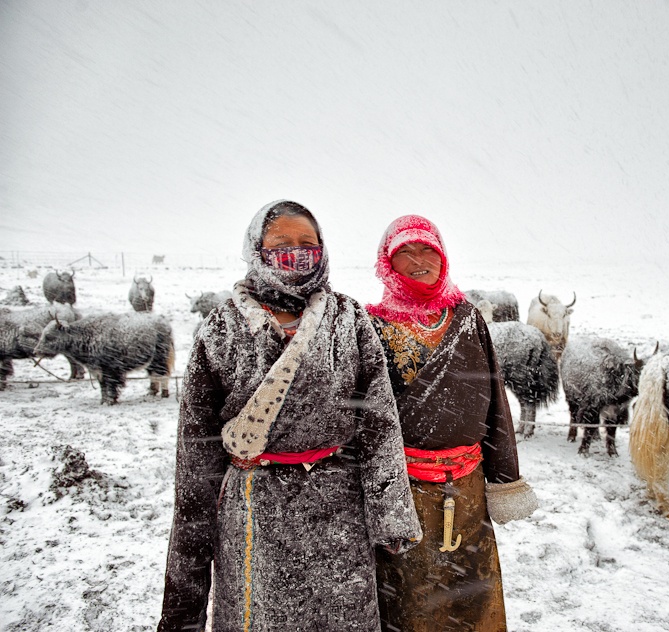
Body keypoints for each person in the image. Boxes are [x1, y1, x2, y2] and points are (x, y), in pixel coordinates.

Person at [158, 200, 421, 631]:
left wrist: (389, 511)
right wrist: (185, 591)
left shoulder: (349, 319)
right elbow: (196, 453)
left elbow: (378, 423)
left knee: (342, 615)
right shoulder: (221, 327)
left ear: (323, 250)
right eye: (281, 245)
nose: (296, 253)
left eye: (307, 244)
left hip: (339, 508)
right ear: (256, 251)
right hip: (252, 509)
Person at [366, 214, 538, 632]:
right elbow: (366, 418)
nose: (419, 260)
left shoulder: (466, 319)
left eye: (428, 249)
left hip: (468, 490)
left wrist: (505, 477)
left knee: (473, 595)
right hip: (404, 493)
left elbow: (495, 401)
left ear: (443, 257)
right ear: (388, 264)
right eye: (404, 252)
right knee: (410, 598)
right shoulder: (372, 326)